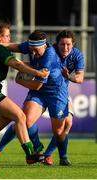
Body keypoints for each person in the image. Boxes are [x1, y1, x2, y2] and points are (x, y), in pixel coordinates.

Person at [0, 30, 71, 166]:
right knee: (23, 120)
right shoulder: (32, 46)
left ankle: (58, 156)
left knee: (58, 131)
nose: (33, 53)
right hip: (40, 93)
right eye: (31, 50)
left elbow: (36, 86)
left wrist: (20, 81)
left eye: (36, 50)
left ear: (43, 46)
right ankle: (1, 150)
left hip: (56, 94)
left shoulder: (49, 57)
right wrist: (0, 44)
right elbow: (17, 47)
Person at [0, 20, 48, 165]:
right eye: (7, 36)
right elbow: (16, 64)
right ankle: (30, 154)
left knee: (9, 116)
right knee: (20, 116)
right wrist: (37, 73)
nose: (9, 39)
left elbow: (19, 63)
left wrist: (34, 67)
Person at [42, 30, 85, 165]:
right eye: (62, 44)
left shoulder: (77, 55)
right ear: (56, 44)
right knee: (24, 120)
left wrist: (68, 76)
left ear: (73, 44)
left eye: (68, 45)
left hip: (61, 92)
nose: (65, 48)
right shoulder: (50, 52)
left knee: (68, 124)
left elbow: (80, 78)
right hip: (43, 91)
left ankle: (48, 155)